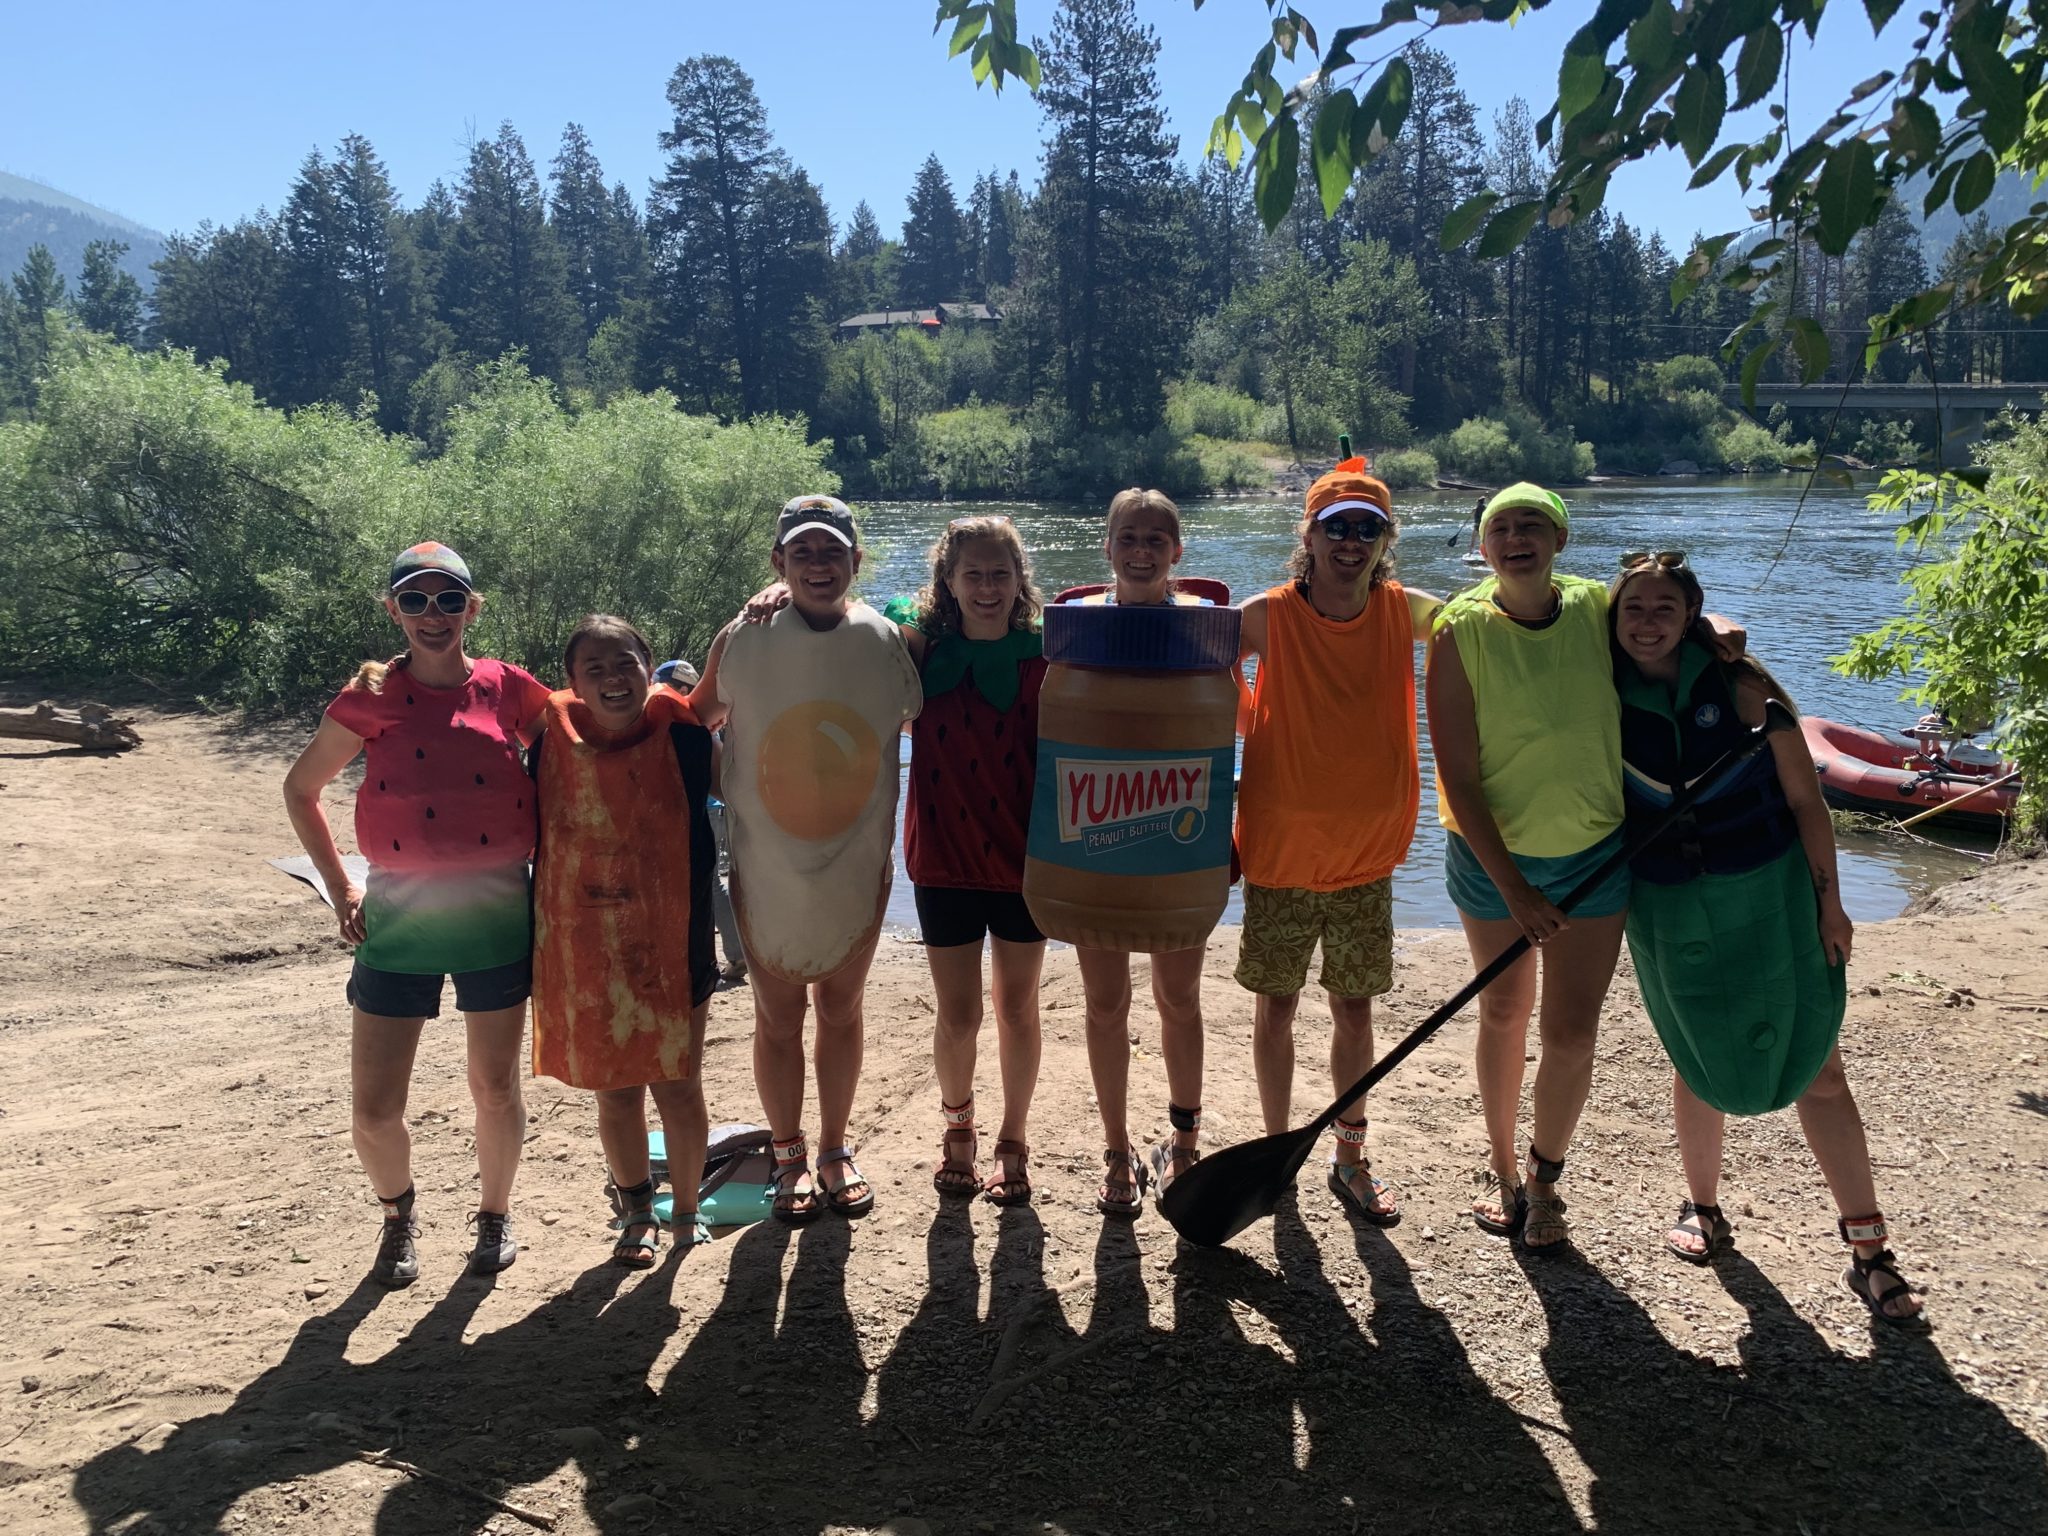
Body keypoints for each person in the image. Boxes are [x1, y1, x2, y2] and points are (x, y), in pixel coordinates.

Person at [1608, 553, 1924, 1325]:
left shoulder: (1747, 694)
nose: (1648, 622)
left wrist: (1832, 907)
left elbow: (1807, 804)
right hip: (1670, 908)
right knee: (1695, 1056)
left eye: (1665, 609)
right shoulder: (1595, 691)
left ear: (1691, 620)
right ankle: (1704, 1210)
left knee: (1819, 1065)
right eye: (1633, 609)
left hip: (1771, 897)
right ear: (1613, 622)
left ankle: (1869, 1249)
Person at [282, 542, 551, 1286]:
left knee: (495, 1088)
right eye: (415, 600)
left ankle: (494, 1217)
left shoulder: (508, 688)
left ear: (473, 607)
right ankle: (398, 1216)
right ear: (392, 609)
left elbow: (574, 757)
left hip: (498, 912)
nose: (433, 615)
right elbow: (301, 788)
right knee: (373, 1111)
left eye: (448, 600)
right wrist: (342, 890)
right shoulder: (368, 695)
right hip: (397, 917)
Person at [688, 495, 921, 1224]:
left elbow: (937, 666)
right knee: (776, 1012)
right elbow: (697, 719)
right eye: (802, 553)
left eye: (832, 552)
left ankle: (833, 1148)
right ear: (778, 563)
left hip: (855, 863)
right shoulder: (743, 637)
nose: (819, 566)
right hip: (768, 864)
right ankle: (787, 1154)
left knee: (843, 1009)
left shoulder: (889, 639)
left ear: (856, 561)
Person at [1424, 485, 1633, 1255]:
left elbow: (1667, 623)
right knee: (1505, 1015)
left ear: (1561, 540)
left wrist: (1720, 632)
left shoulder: (1594, 609)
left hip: (1596, 856)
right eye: (1501, 528)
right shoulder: (1460, 629)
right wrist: (1513, 887)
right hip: (1492, 866)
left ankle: (1547, 1181)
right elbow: (1458, 775)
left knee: (1572, 1033)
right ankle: (1504, 1169)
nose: (1516, 538)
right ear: (1483, 549)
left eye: (1532, 526)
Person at [1235, 459, 1441, 1223]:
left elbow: (1492, 620)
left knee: (1354, 1011)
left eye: (1368, 527)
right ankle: (1278, 1148)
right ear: (1310, 534)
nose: (1351, 542)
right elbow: (1191, 651)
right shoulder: (1268, 615)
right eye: (1337, 527)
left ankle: (1351, 1153)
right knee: (1278, 1009)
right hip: (1281, 852)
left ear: (1385, 538)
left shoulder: (1404, 611)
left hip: (1368, 855)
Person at [531, 617, 718, 1267]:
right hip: (587, 943)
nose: (613, 678)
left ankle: (687, 1212)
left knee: (678, 1083)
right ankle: (636, 1211)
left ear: (649, 666)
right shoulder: (546, 741)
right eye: (595, 668)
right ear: (573, 682)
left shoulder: (689, 740)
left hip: (677, 939)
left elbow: (756, 792)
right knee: (616, 1088)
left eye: (625, 663)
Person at [1066, 488, 1214, 1215]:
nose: (1143, 549)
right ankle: (1119, 1151)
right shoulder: (1070, 626)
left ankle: (1184, 1144)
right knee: (1104, 1002)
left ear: (1177, 551)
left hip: (1177, 833)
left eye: (1158, 537)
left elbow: (1232, 727)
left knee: (1178, 997)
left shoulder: (1208, 629)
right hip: (1096, 833)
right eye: (1129, 535)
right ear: (1108, 546)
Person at [895, 516, 1050, 1206]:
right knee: (958, 1014)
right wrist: (768, 599)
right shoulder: (916, 649)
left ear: (1019, 579)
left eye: (1000, 573)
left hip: (1026, 860)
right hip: (944, 857)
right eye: (973, 574)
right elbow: (836, 617)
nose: (987, 587)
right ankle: (958, 1128)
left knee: (1017, 1007)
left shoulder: (1051, 653)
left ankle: (1013, 1138)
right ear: (948, 582)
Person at [659, 658, 746, 983]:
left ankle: (736, 956)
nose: (660, 689)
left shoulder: (692, 718)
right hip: (704, 808)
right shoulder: (686, 716)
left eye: (667, 683)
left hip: (707, 808)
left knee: (709, 881)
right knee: (706, 881)